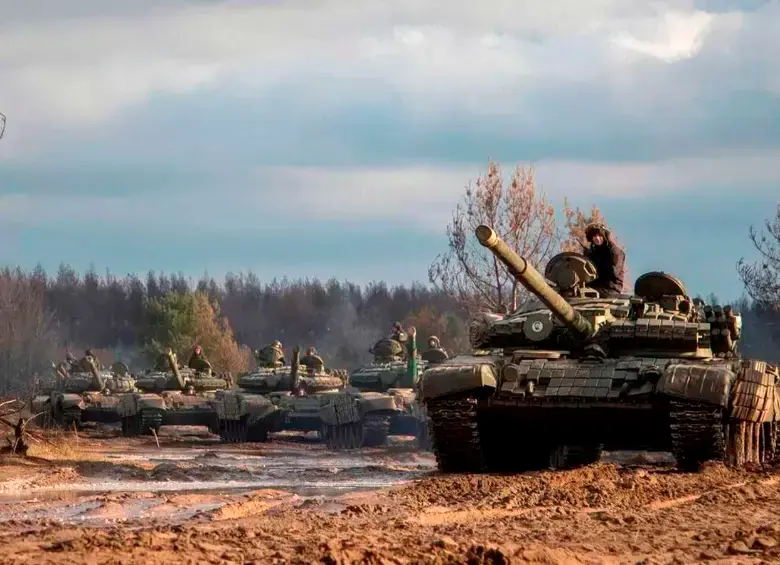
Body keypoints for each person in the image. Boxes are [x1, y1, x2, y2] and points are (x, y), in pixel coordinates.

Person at [582, 222, 626, 297]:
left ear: (604, 236)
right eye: (594, 236)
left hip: (611, 289)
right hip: (596, 286)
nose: (597, 238)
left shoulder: (615, 252)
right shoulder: (594, 252)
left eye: (600, 235)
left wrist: (597, 264)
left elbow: (614, 273)